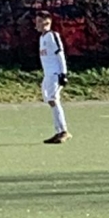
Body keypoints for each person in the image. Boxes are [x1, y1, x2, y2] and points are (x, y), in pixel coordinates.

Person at [35, 11, 71, 144]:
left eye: (39, 21)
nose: (36, 24)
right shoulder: (42, 38)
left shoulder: (52, 35)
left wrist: (63, 74)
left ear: (47, 22)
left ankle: (64, 131)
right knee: (50, 101)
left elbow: (60, 54)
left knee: (54, 100)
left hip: (55, 74)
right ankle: (58, 131)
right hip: (48, 75)